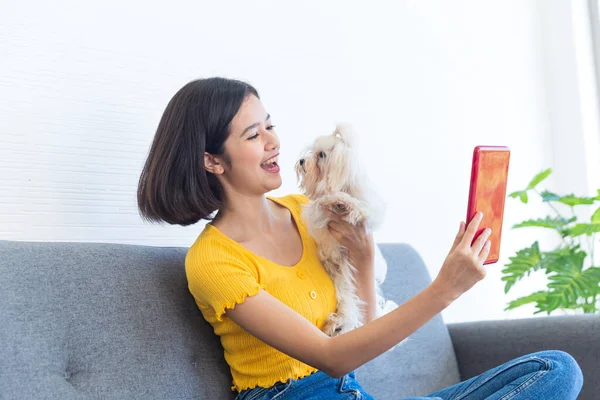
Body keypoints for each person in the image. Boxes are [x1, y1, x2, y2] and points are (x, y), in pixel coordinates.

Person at [137, 77, 584, 399]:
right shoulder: (213, 262)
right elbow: (330, 356)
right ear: (212, 162)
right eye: (254, 134)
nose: (274, 141)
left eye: (269, 124)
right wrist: (445, 289)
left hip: (353, 393)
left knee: (555, 369)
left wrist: (365, 258)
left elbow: (360, 340)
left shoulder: (307, 210)